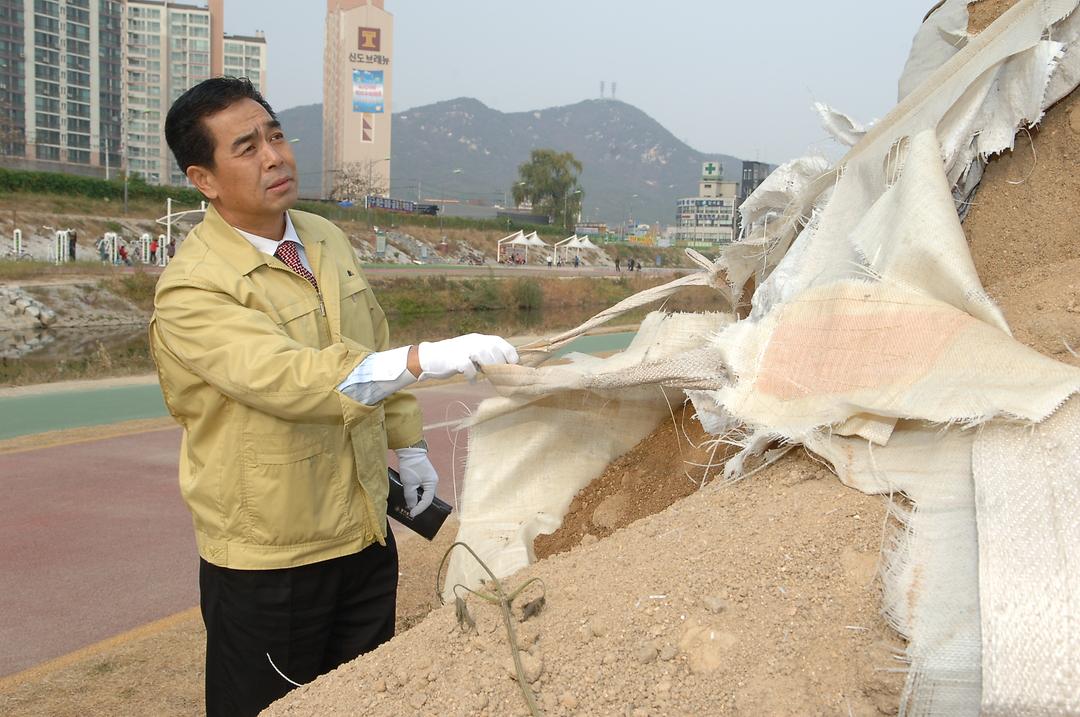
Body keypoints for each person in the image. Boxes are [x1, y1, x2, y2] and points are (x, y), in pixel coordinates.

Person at [149, 77, 518, 717]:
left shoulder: (321, 237)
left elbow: (369, 337)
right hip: (274, 556)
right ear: (203, 179)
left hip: (364, 534)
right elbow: (291, 380)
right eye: (246, 148)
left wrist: (410, 445)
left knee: (360, 699)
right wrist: (426, 359)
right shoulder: (194, 290)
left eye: (276, 135)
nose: (274, 157)